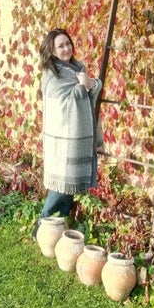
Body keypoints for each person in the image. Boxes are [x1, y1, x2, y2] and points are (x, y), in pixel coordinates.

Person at [32, 28, 103, 240]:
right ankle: (41, 223)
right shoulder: (52, 75)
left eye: (68, 43)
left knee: (69, 186)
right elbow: (65, 103)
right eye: (60, 46)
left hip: (77, 135)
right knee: (61, 185)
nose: (66, 48)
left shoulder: (77, 68)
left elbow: (92, 86)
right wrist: (84, 86)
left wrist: (90, 84)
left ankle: (60, 229)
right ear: (52, 51)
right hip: (61, 137)